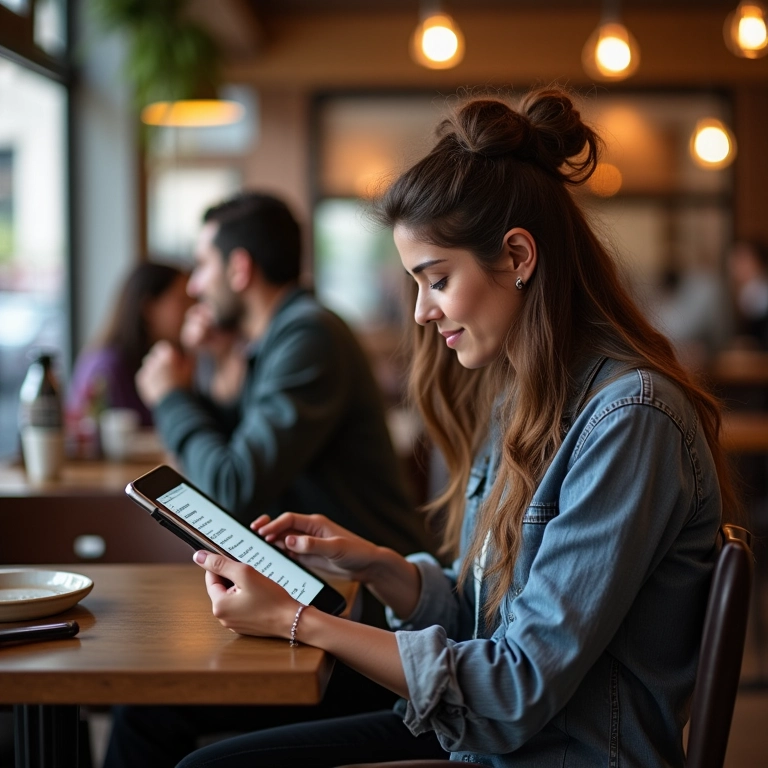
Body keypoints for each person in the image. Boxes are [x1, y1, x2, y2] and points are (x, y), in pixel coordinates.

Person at [177, 88, 740, 768]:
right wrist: (381, 567)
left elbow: (513, 687)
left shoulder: (632, 421)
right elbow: (488, 618)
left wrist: (300, 622)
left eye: (437, 280)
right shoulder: (525, 397)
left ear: (519, 256)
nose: (421, 311)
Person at [104, 192, 431, 768]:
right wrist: (207, 368)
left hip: (374, 621)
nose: (195, 286)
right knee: (150, 701)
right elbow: (235, 448)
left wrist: (172, 398)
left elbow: (231, 486)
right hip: (326, 597)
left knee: (147, 709)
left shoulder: (309, 336)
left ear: (240, 268)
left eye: (202, 265)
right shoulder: (283, 336)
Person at [67, 261, 192, 428]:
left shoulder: (173, 362)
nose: (192, 310)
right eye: (183, 301)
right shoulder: (107, 369)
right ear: (149, 308)